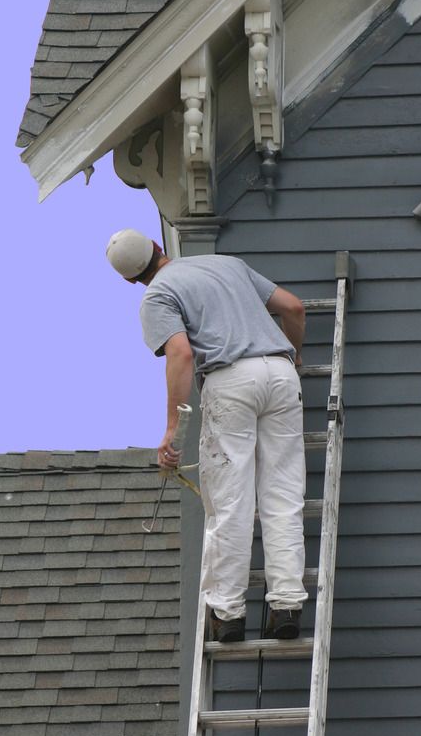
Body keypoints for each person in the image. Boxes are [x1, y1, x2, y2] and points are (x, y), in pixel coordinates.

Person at [106, 229, 307, 642]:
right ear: (160, 249)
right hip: (281, 373)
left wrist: (171, 432)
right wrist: (294, 355)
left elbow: (180, 353)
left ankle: (228, 615)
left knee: (231, 502)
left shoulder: (157, 296)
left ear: (128, 279)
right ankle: (286, 607)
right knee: (284, 496)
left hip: (229, 381)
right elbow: (293, 307)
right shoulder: (226, 263)